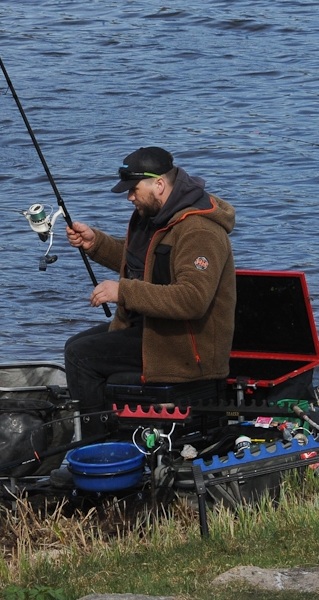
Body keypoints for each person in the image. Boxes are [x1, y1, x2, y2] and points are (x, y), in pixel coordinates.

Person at [64, 146, 237, 439]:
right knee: (77, 344)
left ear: (159, 184)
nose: (129, 197)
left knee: (81, 356)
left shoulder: (200, 231)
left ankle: (100, 449)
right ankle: (109, 433)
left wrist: (123, 291)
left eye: (133, 189)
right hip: (156, 329)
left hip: (188, 347)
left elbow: (192, 299)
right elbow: (142, 263)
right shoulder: (156, 217)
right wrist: (96, 244)